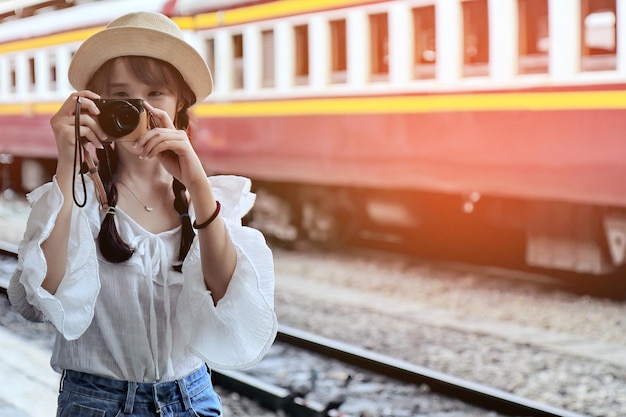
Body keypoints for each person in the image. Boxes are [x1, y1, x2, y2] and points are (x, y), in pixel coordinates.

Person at [8, 11, 277, 417]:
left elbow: (226, 295)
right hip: (96, 404)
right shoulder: (74, 199)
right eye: (122, 96)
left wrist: (197, 182)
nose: (139, 110)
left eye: (155, 94)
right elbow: (39, 296)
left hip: (193, 400)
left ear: (180, 103)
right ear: (98, 106)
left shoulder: (205, 199)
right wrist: (67, 163)